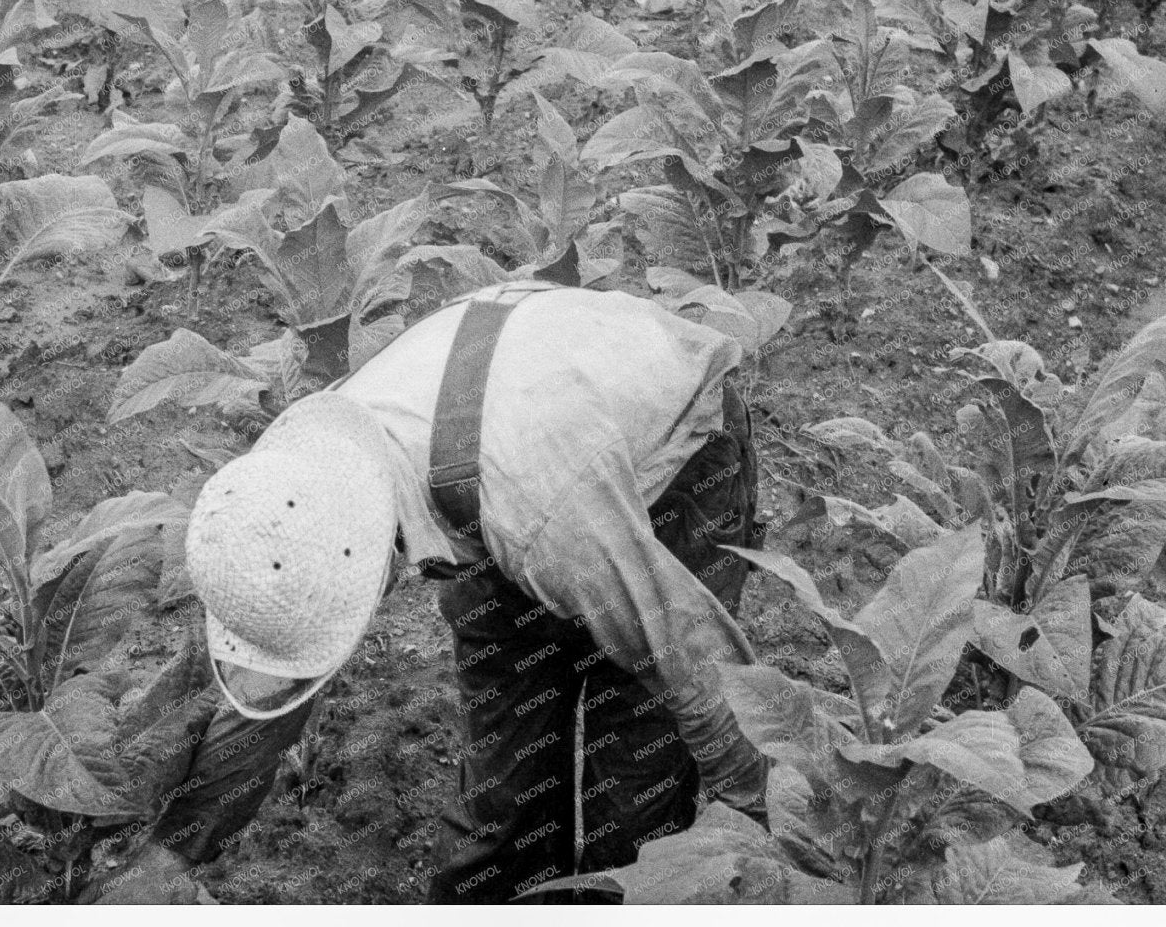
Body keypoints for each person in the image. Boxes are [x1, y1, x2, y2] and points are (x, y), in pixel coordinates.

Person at [98, 280, 767, 904]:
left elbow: (695, 666)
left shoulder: (541, 511)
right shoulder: (303, 478)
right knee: (505, 802)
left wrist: (779, 830)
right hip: (499, 463)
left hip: (668, 465)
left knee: (635, 795)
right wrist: (177, 853)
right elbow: (276, 687)